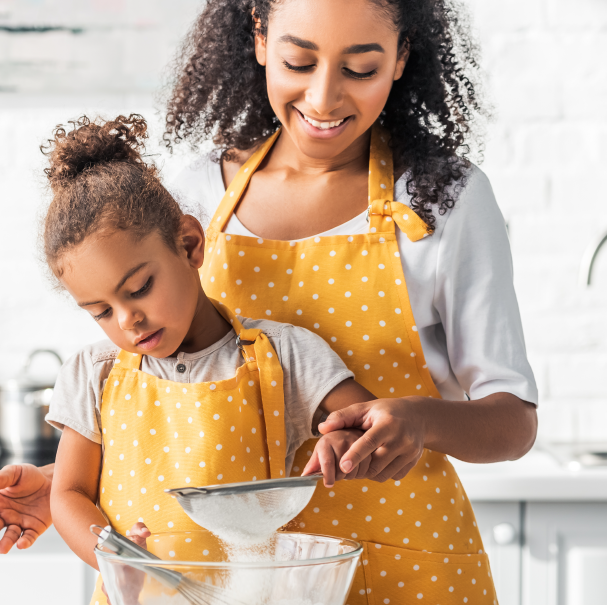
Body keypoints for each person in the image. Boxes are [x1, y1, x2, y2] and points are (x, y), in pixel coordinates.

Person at [0, 0, 535, 602]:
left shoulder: (442, 199)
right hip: (233, 583)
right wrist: (73, 488)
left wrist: (420, 421)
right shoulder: (200, 195)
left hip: (403, 568)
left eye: (361, 68)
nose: (323, 97)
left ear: (401, 57)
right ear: (260, 38)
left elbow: (513, 424)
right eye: (298, 61)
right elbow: (174, 397)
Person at [28, 114, 389, 602]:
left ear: (189, 244)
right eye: (101, 312)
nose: (127, 320)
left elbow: (372, 427)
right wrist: (114, 556)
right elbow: (67, 494)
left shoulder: (282, 355)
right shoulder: (95, 373)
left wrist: (345, 441)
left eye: (139, 289)